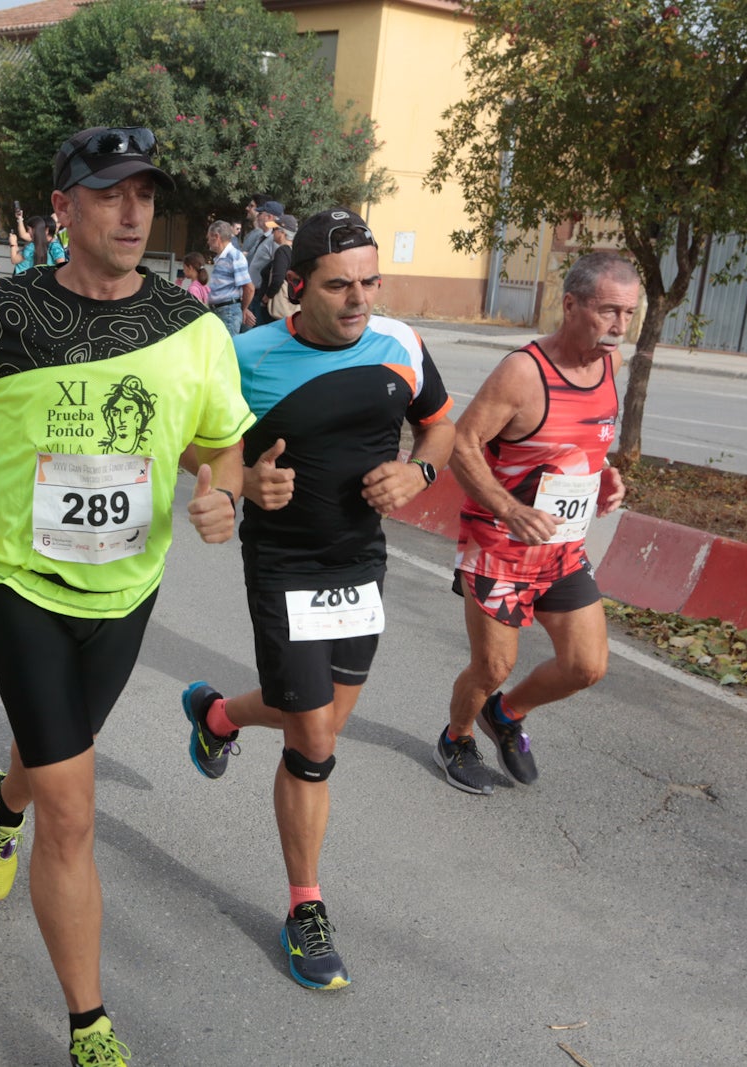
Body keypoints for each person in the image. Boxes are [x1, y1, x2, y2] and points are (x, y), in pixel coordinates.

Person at [0, 125, 253, 1067]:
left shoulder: (195, 327)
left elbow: (221, 441)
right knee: (74, 810)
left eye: (143, 192)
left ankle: (3, 804)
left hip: (127, 589)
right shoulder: (7, 312)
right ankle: (89, 1023)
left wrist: (224, 493)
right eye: (109, 193)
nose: (132, 211)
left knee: (51, 753)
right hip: (18, 581)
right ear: (63, 208)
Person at [180, 208, 455, 991]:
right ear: (297, 287)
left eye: (370, 281)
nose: (360, 298)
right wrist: (241, 481)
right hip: (284, 562)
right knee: (313, 741)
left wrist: (418, 473)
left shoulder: (401, 344)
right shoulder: (246, 354)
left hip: (360, 561)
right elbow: (193, 443)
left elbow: (439, 427)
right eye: (340, 285)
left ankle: (218, 716)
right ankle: (306, 905)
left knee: (323, 718)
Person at [437, 251, 637, 795]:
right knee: (492, 667)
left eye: (629, 313)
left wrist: (604, 476)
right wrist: (510, 509)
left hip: (562, 548)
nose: (620, 326)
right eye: (608, 311)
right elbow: (461, 443)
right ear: (570, 305)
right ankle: (456, 739)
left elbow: (580, 441)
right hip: (500, 547)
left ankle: (505, 714)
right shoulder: (524, 373)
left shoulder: (610, 364)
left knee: (586, 666)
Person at [205, 219, 254, 335]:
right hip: (222, 310)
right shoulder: (222, 257)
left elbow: (249, 288)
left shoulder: (234, 256)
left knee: (227, 344)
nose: (208, 242)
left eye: (209, 238)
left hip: (228, 312)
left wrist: (243, 309)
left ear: (216, 237)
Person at [245, 199, 283, 324]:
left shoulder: (274, 240)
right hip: (254, 293)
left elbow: (278, 267)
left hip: (260, 294)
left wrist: (266, 296)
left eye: (261, 214)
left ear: (269, 217)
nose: (258, 216)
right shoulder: (264, 237)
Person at [260, 214, 298, 320]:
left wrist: (266, 297)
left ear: (282, 233)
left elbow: (278, 279)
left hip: (278, 307)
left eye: (275, 229)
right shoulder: (296, 251)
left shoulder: (282, 251)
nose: (272, 233)